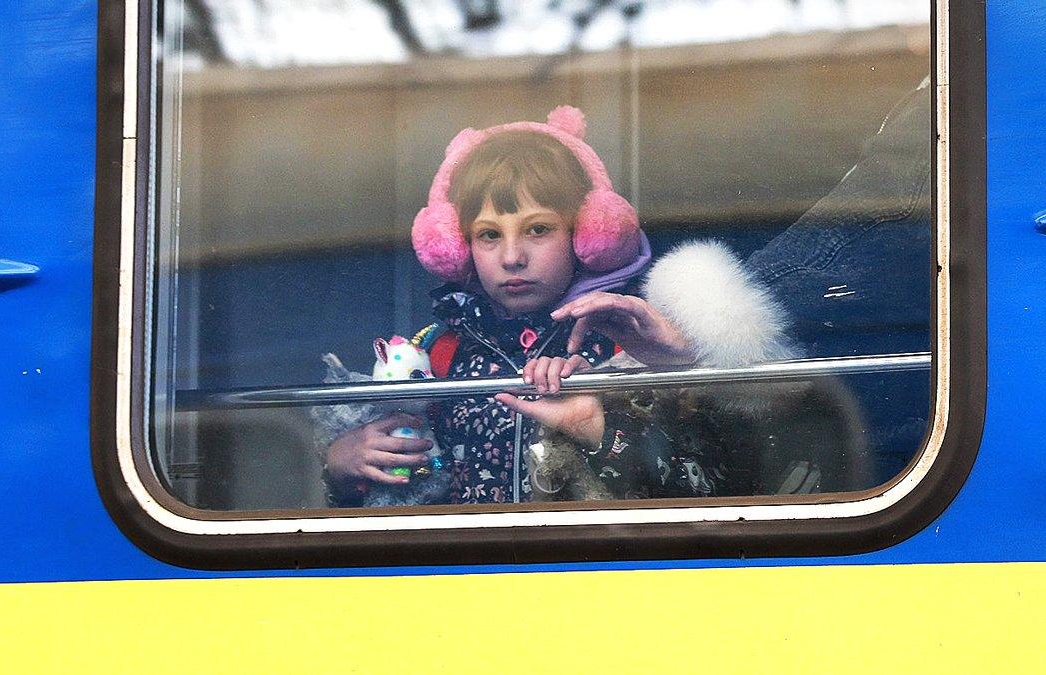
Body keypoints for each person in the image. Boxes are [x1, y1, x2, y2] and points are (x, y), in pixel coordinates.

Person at [319, 106, 866, 506]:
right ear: (456, 246)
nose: (512, 256)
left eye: (538, 230)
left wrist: (599, 427)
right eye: (488, 235)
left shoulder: (627, 342)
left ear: (589, 234)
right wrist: (343, 465)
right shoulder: (436, 352)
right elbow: (406, 501)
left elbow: (706, 489)